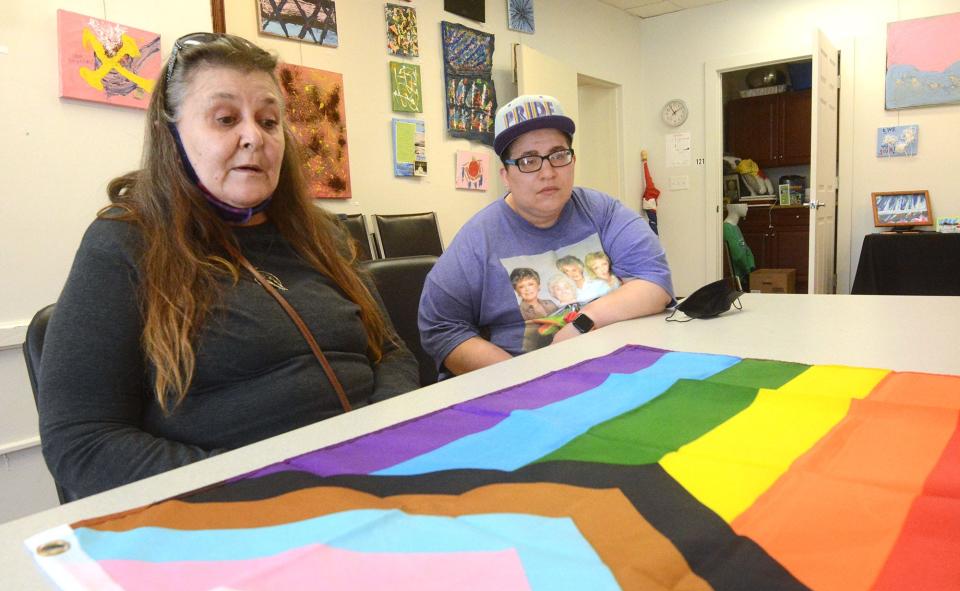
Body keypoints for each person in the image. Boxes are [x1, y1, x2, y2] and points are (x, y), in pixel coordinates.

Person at [38, 34, 418, 500]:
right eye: (225, 119)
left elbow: (393, 352)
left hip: (377, 478)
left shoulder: (323, 234)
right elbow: (82, 440)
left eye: (269, 120)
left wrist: (383, 436)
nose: (253, 136)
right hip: (237, 509)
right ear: (171, 133)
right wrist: (253, 486)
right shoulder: (124, 243)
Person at [419, 94, 673, 377]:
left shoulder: (603, 211)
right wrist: (524, 377)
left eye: (558, 155)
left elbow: (654, 281)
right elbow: (440, 327)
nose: (548, 172)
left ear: (573, 160)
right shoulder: (477, 240)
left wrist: (583, 323)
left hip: (620, 368)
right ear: (505, 175)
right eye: (528, 161)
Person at [722, 203, 755, 290]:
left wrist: (751, 267)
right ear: (734, 207)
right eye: (744, 205)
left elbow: (746, 249)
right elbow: (737, 255)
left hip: (743, 276)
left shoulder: (735, 227)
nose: (747, 207)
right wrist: (747, 269)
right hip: (736, 280)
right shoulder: (726, 228)